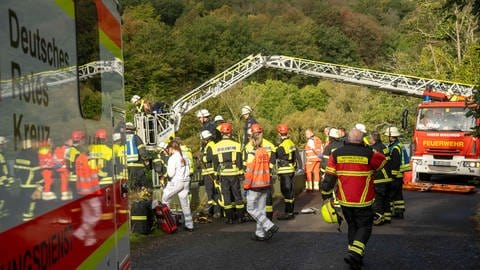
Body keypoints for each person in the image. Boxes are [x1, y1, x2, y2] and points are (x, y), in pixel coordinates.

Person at [321, 128, 386, 269]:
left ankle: (355, 258)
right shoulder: (369, 154)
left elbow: (329, 177)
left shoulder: (336, 154)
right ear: (362, 140)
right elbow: (382, 162)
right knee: (365, 226)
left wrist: (325, 194)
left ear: (347, 139)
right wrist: (369, 150)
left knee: (352, 226)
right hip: (363, 200)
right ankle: (355, 254)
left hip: (344, 200)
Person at [244, 130, 279, 241]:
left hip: (254, 185)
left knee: (251, 209)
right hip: (265, 184)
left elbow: (249, 172)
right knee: (261, 209)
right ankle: (260, 234)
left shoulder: (252, 154)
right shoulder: (264, 152)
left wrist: (246, 186)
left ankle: (269, 225)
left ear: (252, 141)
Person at [212, 122, 245, 224]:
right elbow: (240, 160)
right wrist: (241, 173)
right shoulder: (237, 145)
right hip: (234, 173)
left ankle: (229, 218)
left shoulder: (216, 147)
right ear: (230, 133)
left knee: (226, 196)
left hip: (223, 174)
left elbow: (215, 163)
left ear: (221, 133)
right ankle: (240, 217)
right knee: (237, 195)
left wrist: (216, 175)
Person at [243, 123, 276, 220]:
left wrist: (246, 182)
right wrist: (268, 170)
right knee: (267, 197)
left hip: (254, 179)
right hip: (266, 177)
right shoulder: (269, 145)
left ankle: (260, 220)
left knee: (254, 201)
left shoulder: (248, 146)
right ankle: (268, 216)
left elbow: (247, 165)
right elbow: (273, 160)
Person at [73, 144, 102, 246]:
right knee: (96, 215)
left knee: (87, 217)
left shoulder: (78, 159)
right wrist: (97, 191)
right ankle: (81, 232)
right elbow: (93, 176)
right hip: (91, 192)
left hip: (81, 192)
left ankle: (90, 240)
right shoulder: (90, 160)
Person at [161, 140, 194, 232]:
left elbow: (171, 174)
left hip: (177, 182)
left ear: (171, 148)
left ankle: (168, 223)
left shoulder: (172, 158)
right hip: (186, 181)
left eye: (169, 148)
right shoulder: (185, 155)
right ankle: (189, 224)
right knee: (185, 203)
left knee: (165, 199)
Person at [385, 127, 410, 219]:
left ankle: (389, 212)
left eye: (388, 136)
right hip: (400, 175)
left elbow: (395, 163)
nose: (388, 137)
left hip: (395, 175)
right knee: (398, 195)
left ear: (392, 137)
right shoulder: (399, 145)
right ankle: (399, 212)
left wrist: (392, 175)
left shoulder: (395, 148)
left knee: (390, 194)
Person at [275, 124, 298, 220]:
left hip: (284, 171)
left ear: (279, 134)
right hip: (291, 169)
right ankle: (291, 210)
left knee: (286, 192)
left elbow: (276, 156)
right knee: (291, 191)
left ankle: (288, 213)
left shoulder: (281, 146)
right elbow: (295, 157)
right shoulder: (291, 143)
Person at [369, 131, 393, 225]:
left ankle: (379, 219)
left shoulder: (373, 149)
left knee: (377, 199)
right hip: (387, 177)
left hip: (379, 177)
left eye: (370, 138)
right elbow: (388, 160)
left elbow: (372, 164)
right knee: (386, 198)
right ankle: (387, 217)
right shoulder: (384, 147)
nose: (370, 140)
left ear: (374, 139)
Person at [199, 130, 221, 218]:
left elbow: (210, 158)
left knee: (210, 192)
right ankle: (215, 211)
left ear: (205, 139)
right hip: (210, 172)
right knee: (213, 192)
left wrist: (201, 159)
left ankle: (213, 211)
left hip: (209, 172)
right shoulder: (211, 145)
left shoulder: (209, 146)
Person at [125, 122, 150, 190]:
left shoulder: (121, 138)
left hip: (125, 166)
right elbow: (141, 150)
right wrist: (146, 160)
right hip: (137, 165)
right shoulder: (135, 137)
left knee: (130, 184)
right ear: (132, 129)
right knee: (141, 185)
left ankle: (132, 196)